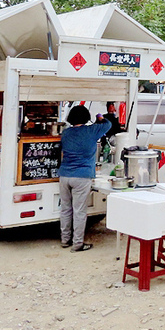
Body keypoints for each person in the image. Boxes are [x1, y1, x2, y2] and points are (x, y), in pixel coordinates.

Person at [59, 105, 110, 252]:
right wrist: (100, 117)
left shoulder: (66, 133)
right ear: (86, 117)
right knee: (79, 211)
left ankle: (64, 240)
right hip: (82, 176)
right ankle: (77, 244)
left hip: (64, 175)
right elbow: (109, 125)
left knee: (65, 209)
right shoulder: (92, 131)